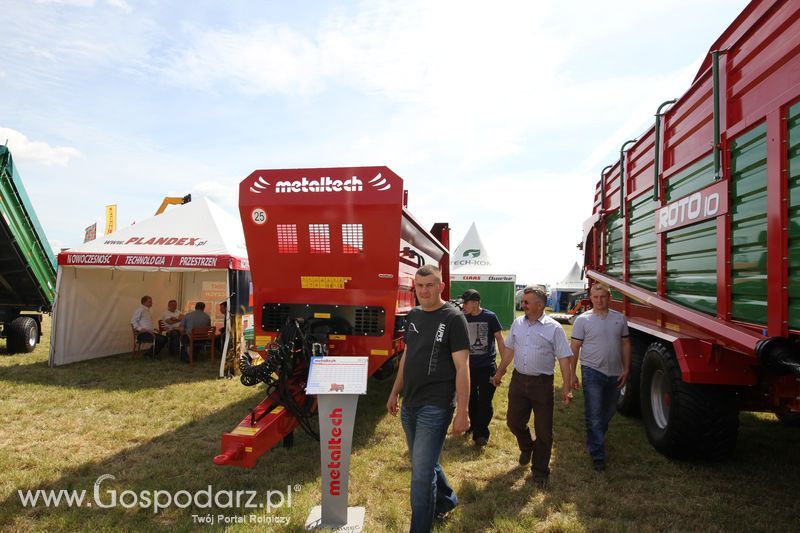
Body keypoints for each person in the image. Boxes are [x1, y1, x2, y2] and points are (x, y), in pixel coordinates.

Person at [386, 265, 470, 532]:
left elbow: (462, 368)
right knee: (425, 462)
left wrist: (463, 412)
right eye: (419, 286)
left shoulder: (454, 318)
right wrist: (394, 391)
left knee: (420, 476)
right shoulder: (414, 315)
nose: (424, 291)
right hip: (409, 404)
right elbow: (407, 357)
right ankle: (446, 500)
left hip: (436, 405)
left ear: (441, 286)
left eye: (429, 285)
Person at [492, 285, 573, 488]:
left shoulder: (554, 328)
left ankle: (540, 471)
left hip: (542, 384)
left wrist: (566, 387)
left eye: (527, 302)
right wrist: (500, 371)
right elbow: (509, 350)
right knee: (513, 422)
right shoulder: (518, 323)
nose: (523, 305)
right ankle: (527, 446)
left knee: (544, 432)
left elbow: (564, 359)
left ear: (540, 305)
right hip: (519, 381)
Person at [570, 283, 630, 472]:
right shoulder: (583, 320)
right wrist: (572, 374)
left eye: (602, 297)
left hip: (615, 372)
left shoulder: (620, 319)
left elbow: (626, 344)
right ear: (591, 298)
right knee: (595, 414)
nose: (599, 300)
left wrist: (626, 369)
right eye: (595, 297)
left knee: (608, 412)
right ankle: (598, 454)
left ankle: (595, 437)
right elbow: (574, 348)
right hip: (592, 371)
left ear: (609, 298)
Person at [461, 289, 506, 447]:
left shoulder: (490, 317)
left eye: (466, 303)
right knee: (470, 398)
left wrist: (503, 364)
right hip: (468, 367)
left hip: (487, 366)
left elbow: (499, 339)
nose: (464, 306)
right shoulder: (463, 318)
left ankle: (481, 434)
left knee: (485, 400)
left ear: (475, 303)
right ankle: (471, 426)